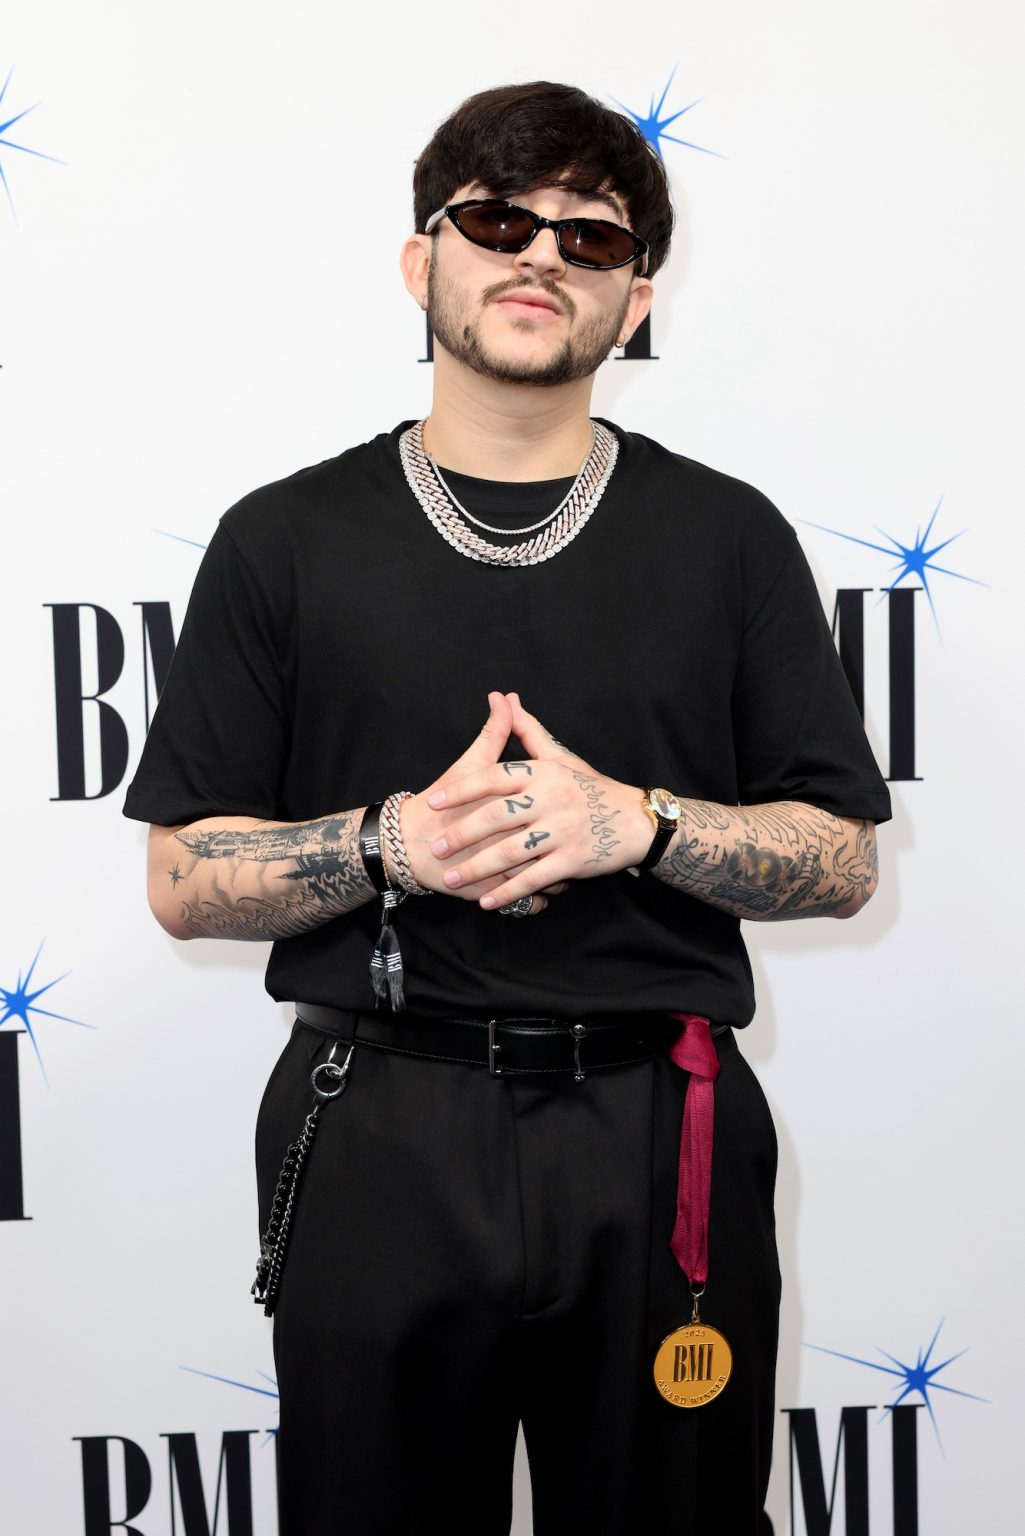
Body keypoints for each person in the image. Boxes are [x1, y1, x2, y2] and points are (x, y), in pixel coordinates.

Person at [125, 81, 890, 1536]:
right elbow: (180, 877)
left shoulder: (727, 538)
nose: (540, 255)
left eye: (589, 239)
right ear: (423, 263)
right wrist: (385, 844)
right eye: (495, 219)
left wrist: (642, 825)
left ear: (635, 299)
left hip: (661, 1120)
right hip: (375, 1119)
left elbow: (841, 858)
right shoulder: (283, 541)